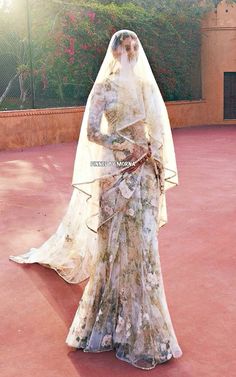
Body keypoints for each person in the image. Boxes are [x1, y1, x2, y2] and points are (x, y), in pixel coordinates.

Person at [9, 29, 183, 370]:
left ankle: (150, 329)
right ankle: (110, 323)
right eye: (124, 45)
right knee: (113, 248)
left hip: (144, 175)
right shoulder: (104, 88)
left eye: (134, 45)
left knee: (145, 248)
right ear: (115, 51)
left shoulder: (148, 88)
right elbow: (92, 132)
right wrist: (123, 145)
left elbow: (159, 132)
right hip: (114, 174)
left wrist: (153, 155)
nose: (130, 49)